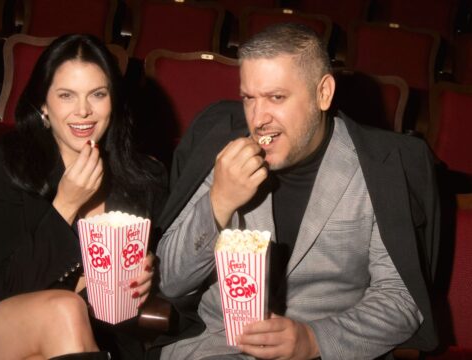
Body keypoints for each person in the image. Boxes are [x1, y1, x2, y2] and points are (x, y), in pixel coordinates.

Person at [155, 23, 439, 360]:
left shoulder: (378, 167)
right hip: (215, 347)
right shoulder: (222, 150)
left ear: (323, 93)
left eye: (276, 97)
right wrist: (218, 201)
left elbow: (400, 299)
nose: (258, 119)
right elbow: (171, 282)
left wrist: (315, 339)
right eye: (248, 98)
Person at [0, 34, 167, 360]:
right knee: (65, 310)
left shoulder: (143, 177)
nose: (83, 111)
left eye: (97, 94)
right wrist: (65, 205)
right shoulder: (0, 160)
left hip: (96, 336)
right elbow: (8, 287)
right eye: (66, 95)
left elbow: (171, 281)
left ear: (114, 101)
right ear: (43, 103)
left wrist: (150, 273)